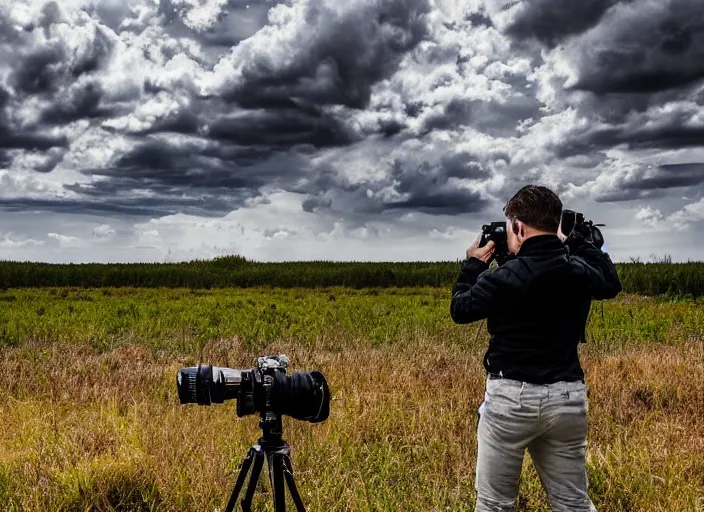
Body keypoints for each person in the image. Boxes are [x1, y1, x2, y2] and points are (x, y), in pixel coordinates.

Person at [450, 185, 622, 512]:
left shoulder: (502, 278)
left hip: (510, 399)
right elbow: (610, 282)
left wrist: (473, 264)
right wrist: (579, 240)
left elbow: (460, 309)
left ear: (518, 227)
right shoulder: (577, 270)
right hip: (567, 397)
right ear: (557, 224)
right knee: (573, 503)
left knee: (495, 505)